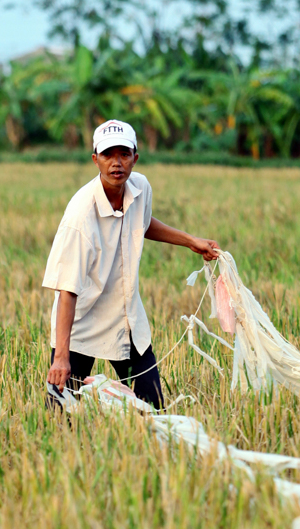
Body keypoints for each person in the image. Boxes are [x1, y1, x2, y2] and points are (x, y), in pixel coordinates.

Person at [44, 119, 220, 409]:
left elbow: (143, 222)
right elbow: (67, 289)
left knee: (151, 408)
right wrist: (61, 355)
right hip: (81, 322)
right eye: (108, 155)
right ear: (95, 160)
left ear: (135, 158)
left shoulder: (140, 187)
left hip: (125, 316)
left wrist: (190, 241)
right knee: (61, 413)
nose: (117, 163)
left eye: (124, 154)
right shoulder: (80, 215)